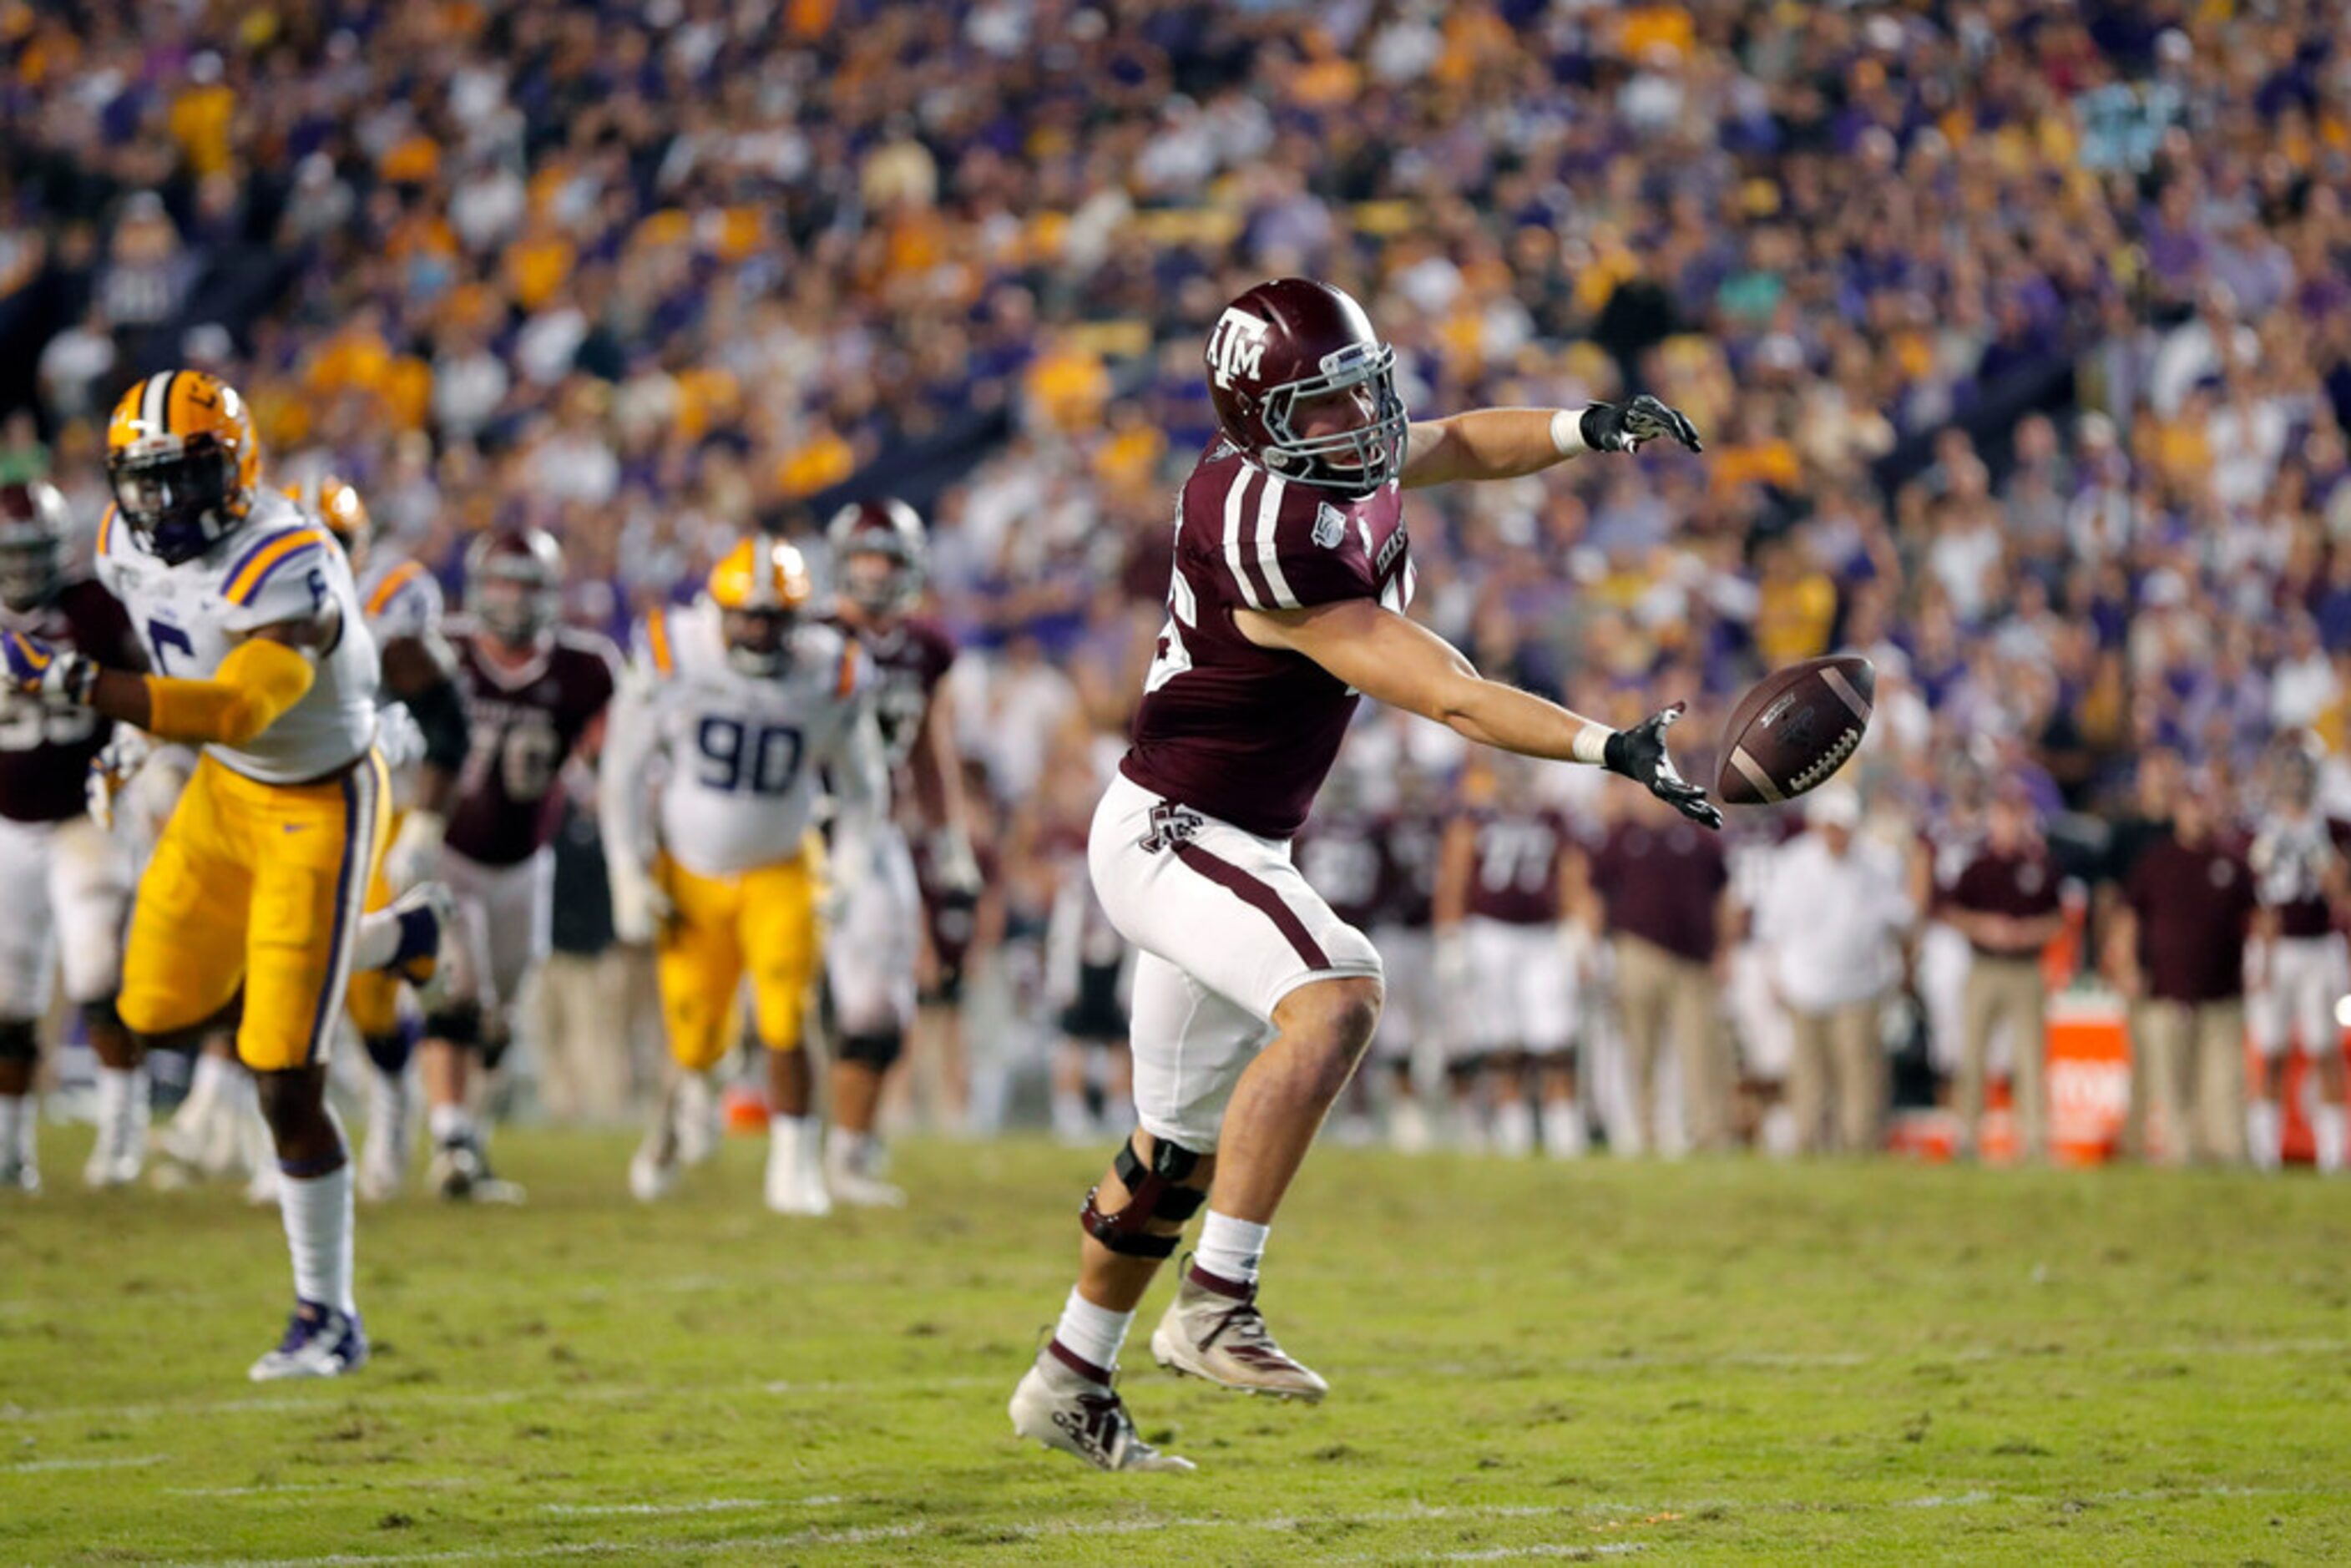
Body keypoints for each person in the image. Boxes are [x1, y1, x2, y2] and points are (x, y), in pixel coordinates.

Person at [1008, 277, 1711, 1473]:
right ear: (1261, 421)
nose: (1364, 422)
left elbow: (1446, 444)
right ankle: (1216, 1303)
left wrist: (1585, 426)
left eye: (1359, 391)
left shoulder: (1331, 458)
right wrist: (1609, 746)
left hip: (1231, 833)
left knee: (1170, 1149)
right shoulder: (1267, 529)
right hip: (1177, 830)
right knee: (1339, 990)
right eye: (1329, 407)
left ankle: (1068, 1376)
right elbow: (1446, 688)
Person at [3, 369, 451, 1377]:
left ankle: (327, 1315)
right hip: (219, 791)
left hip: (316, 801)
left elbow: (240, 707)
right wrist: (134, 742)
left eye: (183, 477)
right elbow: (174, 659)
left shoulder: (289, 561)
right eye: (142, 480)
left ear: (237, 466)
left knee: (282, 1071)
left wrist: (81, 687)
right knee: (148, 1008)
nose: (159, 506)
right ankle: (394, 937)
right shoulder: (122, 544)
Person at [602, 534, 887, 1213]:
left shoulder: (830, 672)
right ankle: (681, 1112)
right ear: (718, 611)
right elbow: (622, 769)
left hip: (782, 867)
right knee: (696, 1042)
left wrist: (847, 869)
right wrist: (627, 870)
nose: (759, 632)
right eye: (747, 616)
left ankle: (794, 1167)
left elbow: (865, 787)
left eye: (774, 618)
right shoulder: (674, 653)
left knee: (787, 1019)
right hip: (690, 873)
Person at [283, 473, 470, 1199]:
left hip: (375, 794)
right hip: (287, 794)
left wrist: (423, 822)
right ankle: (273, 1125)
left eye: (335, 544)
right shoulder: (238, 594)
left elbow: (447, 722)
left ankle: (391, 1105)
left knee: (357, 985)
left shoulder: (390, 599)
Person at [421, 525, 618, 1202]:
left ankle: (468, 1141)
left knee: (499, 1018)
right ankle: (447, 1134)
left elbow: (610, 754)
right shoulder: (439, 652)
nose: (510, 597)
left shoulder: (584, 669)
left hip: (525, 864)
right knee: (457, 992)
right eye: (500, 581)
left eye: (525, 584)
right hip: (443, 853)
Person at [820, 498, 980, 1202]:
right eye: (864, 558)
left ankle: (848, 1150)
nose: (875, 573)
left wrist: (949, 840)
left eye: (887, 559)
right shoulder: (806, 634)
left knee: (884, 1005)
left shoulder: (926, 647)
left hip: (874, 828)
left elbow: (926, 747)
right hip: (793, 825)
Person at [0, 479, 146, 1192]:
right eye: (10, 554)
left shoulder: (93, 607)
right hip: (7, 825)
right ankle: (9, 1147)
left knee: (97, 977)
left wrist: (133, 759)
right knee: (9, 999)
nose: (22, 570)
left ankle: (123, 1132)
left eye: (33, 554)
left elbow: (145, 693)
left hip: (84, 818)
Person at [1434, 755, 1588, 1158]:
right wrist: (1451, 935)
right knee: (1502, 1039)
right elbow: (1454, 878)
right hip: (1490, 934)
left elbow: (1573, 877)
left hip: (1543, 936)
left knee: (1554, 1036)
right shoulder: (1475, 819)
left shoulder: (1553, 820)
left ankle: (1562, 1129)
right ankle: (1513, 1129)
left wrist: (1579, 931)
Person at [1752, 783, 1913, 1155]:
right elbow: (1770, 930)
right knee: (1808, 1076)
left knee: (1858, 1076)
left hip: (1859, 986)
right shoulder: (1791, 864)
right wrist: (1774, 977)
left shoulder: (1878, 864)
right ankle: (1808, 1144)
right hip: (1804, 984)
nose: (1836, 835)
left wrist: (1898, 972)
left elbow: (1900, 922)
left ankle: (1859, 1147)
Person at [1583, 787, 1735, 1156]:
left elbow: (1722, 897)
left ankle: (1708, 1135)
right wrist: (1590, 948)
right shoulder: (1621, 837)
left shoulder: (1699, 837)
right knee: (1640, 1049)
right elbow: (1594, 892)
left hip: (1693, 960)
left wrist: (1725, 950)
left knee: (1700, 1052)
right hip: (1638, 952)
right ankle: (1644, 1133)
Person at [2111, 782, 2256, 1166]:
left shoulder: (2233, 864)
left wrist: (2262, 966)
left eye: (2204, 805)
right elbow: (2127, 918)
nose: (2198, 814)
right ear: (2178, 811)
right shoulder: (2155, 861)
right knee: (2168, 1079)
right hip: (2164, 988)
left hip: (2221, 991)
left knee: (2223, 1080)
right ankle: (2179, 1152)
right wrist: (2126, 966)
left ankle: (2226, 1152)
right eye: (2191, 806)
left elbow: (2258, 920)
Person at [2246, 738, 2348, 1173]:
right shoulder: (2260, 831)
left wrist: (2319, 849)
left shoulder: (2332, 828)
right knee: (2271, 1050)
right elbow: (2253, 901)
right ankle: (2264, 1155)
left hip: (2319, 947)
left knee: (2325, 1048)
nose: (2294, 785)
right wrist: (2263, 961)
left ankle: (2330, 1156)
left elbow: (2340, 893)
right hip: (2277, 948)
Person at [1945, 789, 2064, 1161]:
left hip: (2025, 968)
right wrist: (1984, 927)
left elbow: (2059, 918)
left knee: (2030, 1055)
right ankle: (1967, 1136)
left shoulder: (2041, 867)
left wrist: (2027, 932)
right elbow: (1951, 912)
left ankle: (2034, 1140)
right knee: (1973, 1054)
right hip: (1984, 966)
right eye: (2003, 815)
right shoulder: (1978, 867)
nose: (2009, 824)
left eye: (2015, 816)